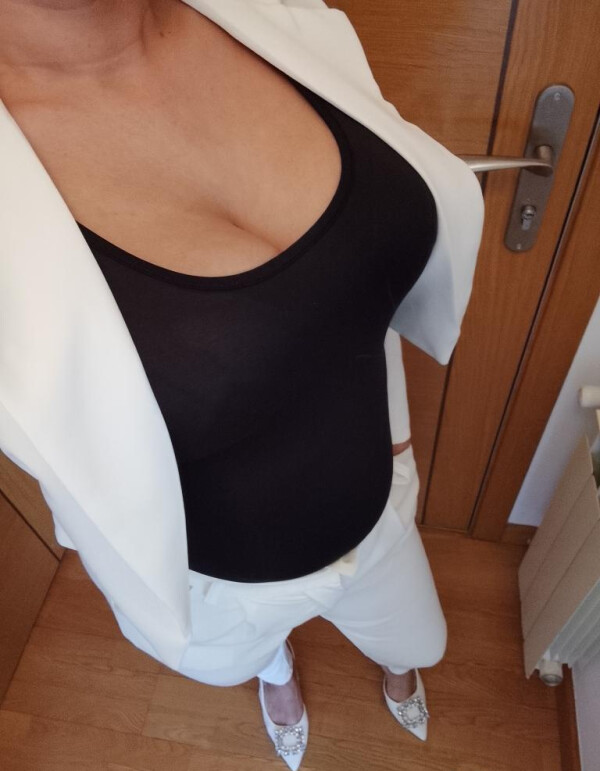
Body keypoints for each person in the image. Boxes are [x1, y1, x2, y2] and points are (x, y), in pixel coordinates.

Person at [0, 1, 485, 768]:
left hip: (380, 508)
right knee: (248, 658)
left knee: (421, 640)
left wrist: (396, 436)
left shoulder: (274, 14)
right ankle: (277, 670)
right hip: (221, 587)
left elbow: (344, 290)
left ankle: (397, 671)